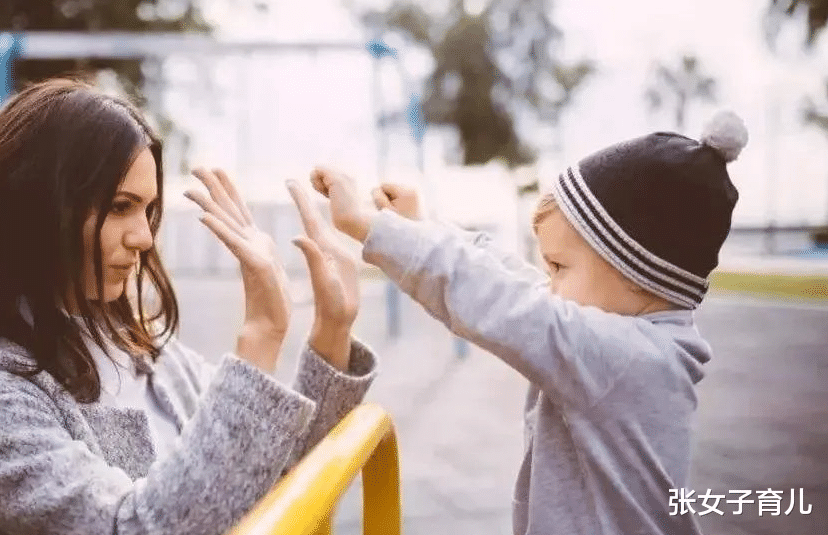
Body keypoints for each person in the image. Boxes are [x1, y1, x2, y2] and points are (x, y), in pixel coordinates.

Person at [0, 78, 377, 535]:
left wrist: (332, 331)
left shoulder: (144, 347)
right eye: (120, 207)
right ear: (36, 208)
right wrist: (262, 335)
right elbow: (132, 528)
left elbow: (269, 475)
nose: (143, 237)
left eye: (148, 209)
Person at [308, 112, 749, 534]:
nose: (548, 283)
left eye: (559, 266)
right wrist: (423, 226)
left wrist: (372, 228)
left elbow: (500, 299)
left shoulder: (625, 358)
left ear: (637, 274)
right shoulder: (632, 334)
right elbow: (512, 278)